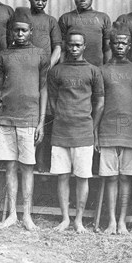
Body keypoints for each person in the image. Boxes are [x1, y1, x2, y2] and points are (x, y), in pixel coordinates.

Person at [0, 7, 49, 231]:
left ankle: (27, 215)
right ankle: (12, 215)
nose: (19, 34)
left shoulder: (40, 54)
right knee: (10, 167)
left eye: (23, 30)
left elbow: (44, 89)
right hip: (6, 118)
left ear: (31, 31)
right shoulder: (3, 56)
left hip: (29, 119)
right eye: (15, 30)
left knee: (27, 167)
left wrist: (41, 121)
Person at [48, 31, 104, 233]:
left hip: (83, 132)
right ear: (66, 46)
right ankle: (64, 218)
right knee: (62, 176)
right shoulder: (57, 71)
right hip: (61, 131)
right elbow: (52, 100)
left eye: (78, 45)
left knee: (82, 177)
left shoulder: (93, 71)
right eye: (70, 45)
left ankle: (78, 220)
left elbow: (100, 103)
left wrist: (91, 126)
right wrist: (62, 115)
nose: (74, 49)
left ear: (84, 47)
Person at [97, 25, 132, 235]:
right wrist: (96, 132)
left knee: (126, 178)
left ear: (129, 45)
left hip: (130, 132)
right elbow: (99, 104)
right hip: (107, 130)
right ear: (110, 44)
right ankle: (111, 221)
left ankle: (122, 221)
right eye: (116, 43)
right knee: (111, 177)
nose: (120, 46)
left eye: (124, 43)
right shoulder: (103, 70)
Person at [27, 0, 62, 172]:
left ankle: (41, 163)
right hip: (26, 72)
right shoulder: (23, 18)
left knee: (44, 115)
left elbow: (58, 46)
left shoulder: (51, 21)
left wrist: (49, 64)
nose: (40, 2)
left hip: (44, 74)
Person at [58, 0, 112, 67]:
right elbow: (63, 49)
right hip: (72, 68)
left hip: (97, 68)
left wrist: (107, 70)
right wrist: (61, 69)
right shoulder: (66, 18)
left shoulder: (103, 18)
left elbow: (107, 49)